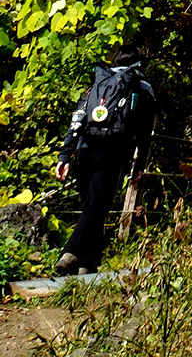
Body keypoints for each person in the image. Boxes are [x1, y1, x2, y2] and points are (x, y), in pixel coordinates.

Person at [54, 48, 155, 276]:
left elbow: (78, 120)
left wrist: (65, 155)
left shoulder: (98, 83)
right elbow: (144, 132)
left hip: (84, 151)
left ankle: (88, 263)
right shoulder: (141, 87)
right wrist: (139, 165)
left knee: (92, 208)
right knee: (95, 209)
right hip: (112, 153)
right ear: (140, 63)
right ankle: (69, 253)